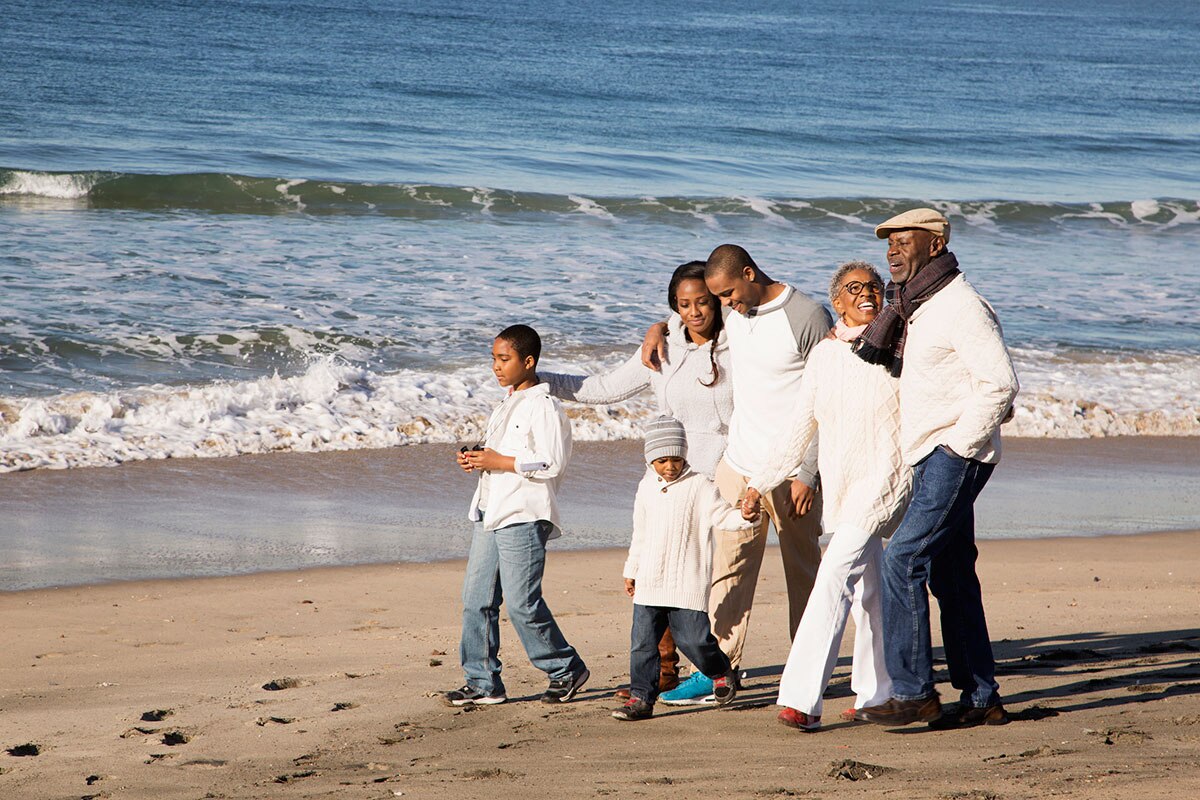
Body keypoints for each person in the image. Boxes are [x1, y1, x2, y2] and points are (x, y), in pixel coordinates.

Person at [642, 244, 832, 705]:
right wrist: (658, 328)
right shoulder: (736, 311)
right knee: (725, 574)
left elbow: (831, 397)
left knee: (803, 576)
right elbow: (691, 317)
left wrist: (809, 470)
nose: (725, 306)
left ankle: (806, 673)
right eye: (719, 298)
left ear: (749, 274)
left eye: (728, 294)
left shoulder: (807, 316)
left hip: (792, 472)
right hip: (740, 464)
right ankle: (718, 671)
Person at [852, 209, 1019, 728]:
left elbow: (1000, 384)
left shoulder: (961, 305)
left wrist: (958, 448)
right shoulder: (917, 306)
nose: (892, 252)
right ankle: (980, 695)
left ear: (935, 243)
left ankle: (913, 691)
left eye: (904, 242)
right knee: (952, 577)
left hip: (953, 454)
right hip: (927, 454)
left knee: (901, 559)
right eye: (889, 244)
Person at [543, 260, 732, 696]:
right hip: (666, 475)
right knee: (656, 574)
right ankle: (663, 676)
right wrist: (542, 380)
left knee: (697, 583)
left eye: (703, 302)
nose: (695, 312)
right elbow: (605, 388)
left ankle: (716, 670)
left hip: (719, 477)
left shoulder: (737, 346)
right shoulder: (664, 346)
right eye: (684, 304)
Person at [741, 262, 910, 732]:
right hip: (843, 485)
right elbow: (799, 426)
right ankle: (879, 694)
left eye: (874, 287)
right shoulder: (825, 356)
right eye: (855, 289)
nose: (867, 294)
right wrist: (759, 481)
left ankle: (801, 700)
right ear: (836, 301)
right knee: (870, 591)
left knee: (834, 574)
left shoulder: (901, 345)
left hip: (888, 479)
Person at [443, 324, 590, 707]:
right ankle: (482, 681)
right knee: (476, 600)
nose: (496, 366)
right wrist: (477, 459)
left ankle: (565, 668)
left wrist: (498, 460)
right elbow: (505, 457)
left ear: (528, 362)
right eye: (493, 358)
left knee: (523, 604)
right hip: (490, 511)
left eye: (504, 359)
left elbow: (551, 462)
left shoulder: (545, 406)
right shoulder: (507, 403)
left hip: (524, 514)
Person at [612, 416, 750, 721]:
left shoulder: (699, 485)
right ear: (651, 459)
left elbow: (722, 515)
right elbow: (640, 533)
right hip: (649, 582)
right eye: (662, 460)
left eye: (676, 459)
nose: (670, 467)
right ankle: (641, 699)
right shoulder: (645, 487)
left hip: (686, 583)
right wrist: (631, 569)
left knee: (693, 640)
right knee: (642, 645)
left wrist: (746, 517)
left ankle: (720, 670)